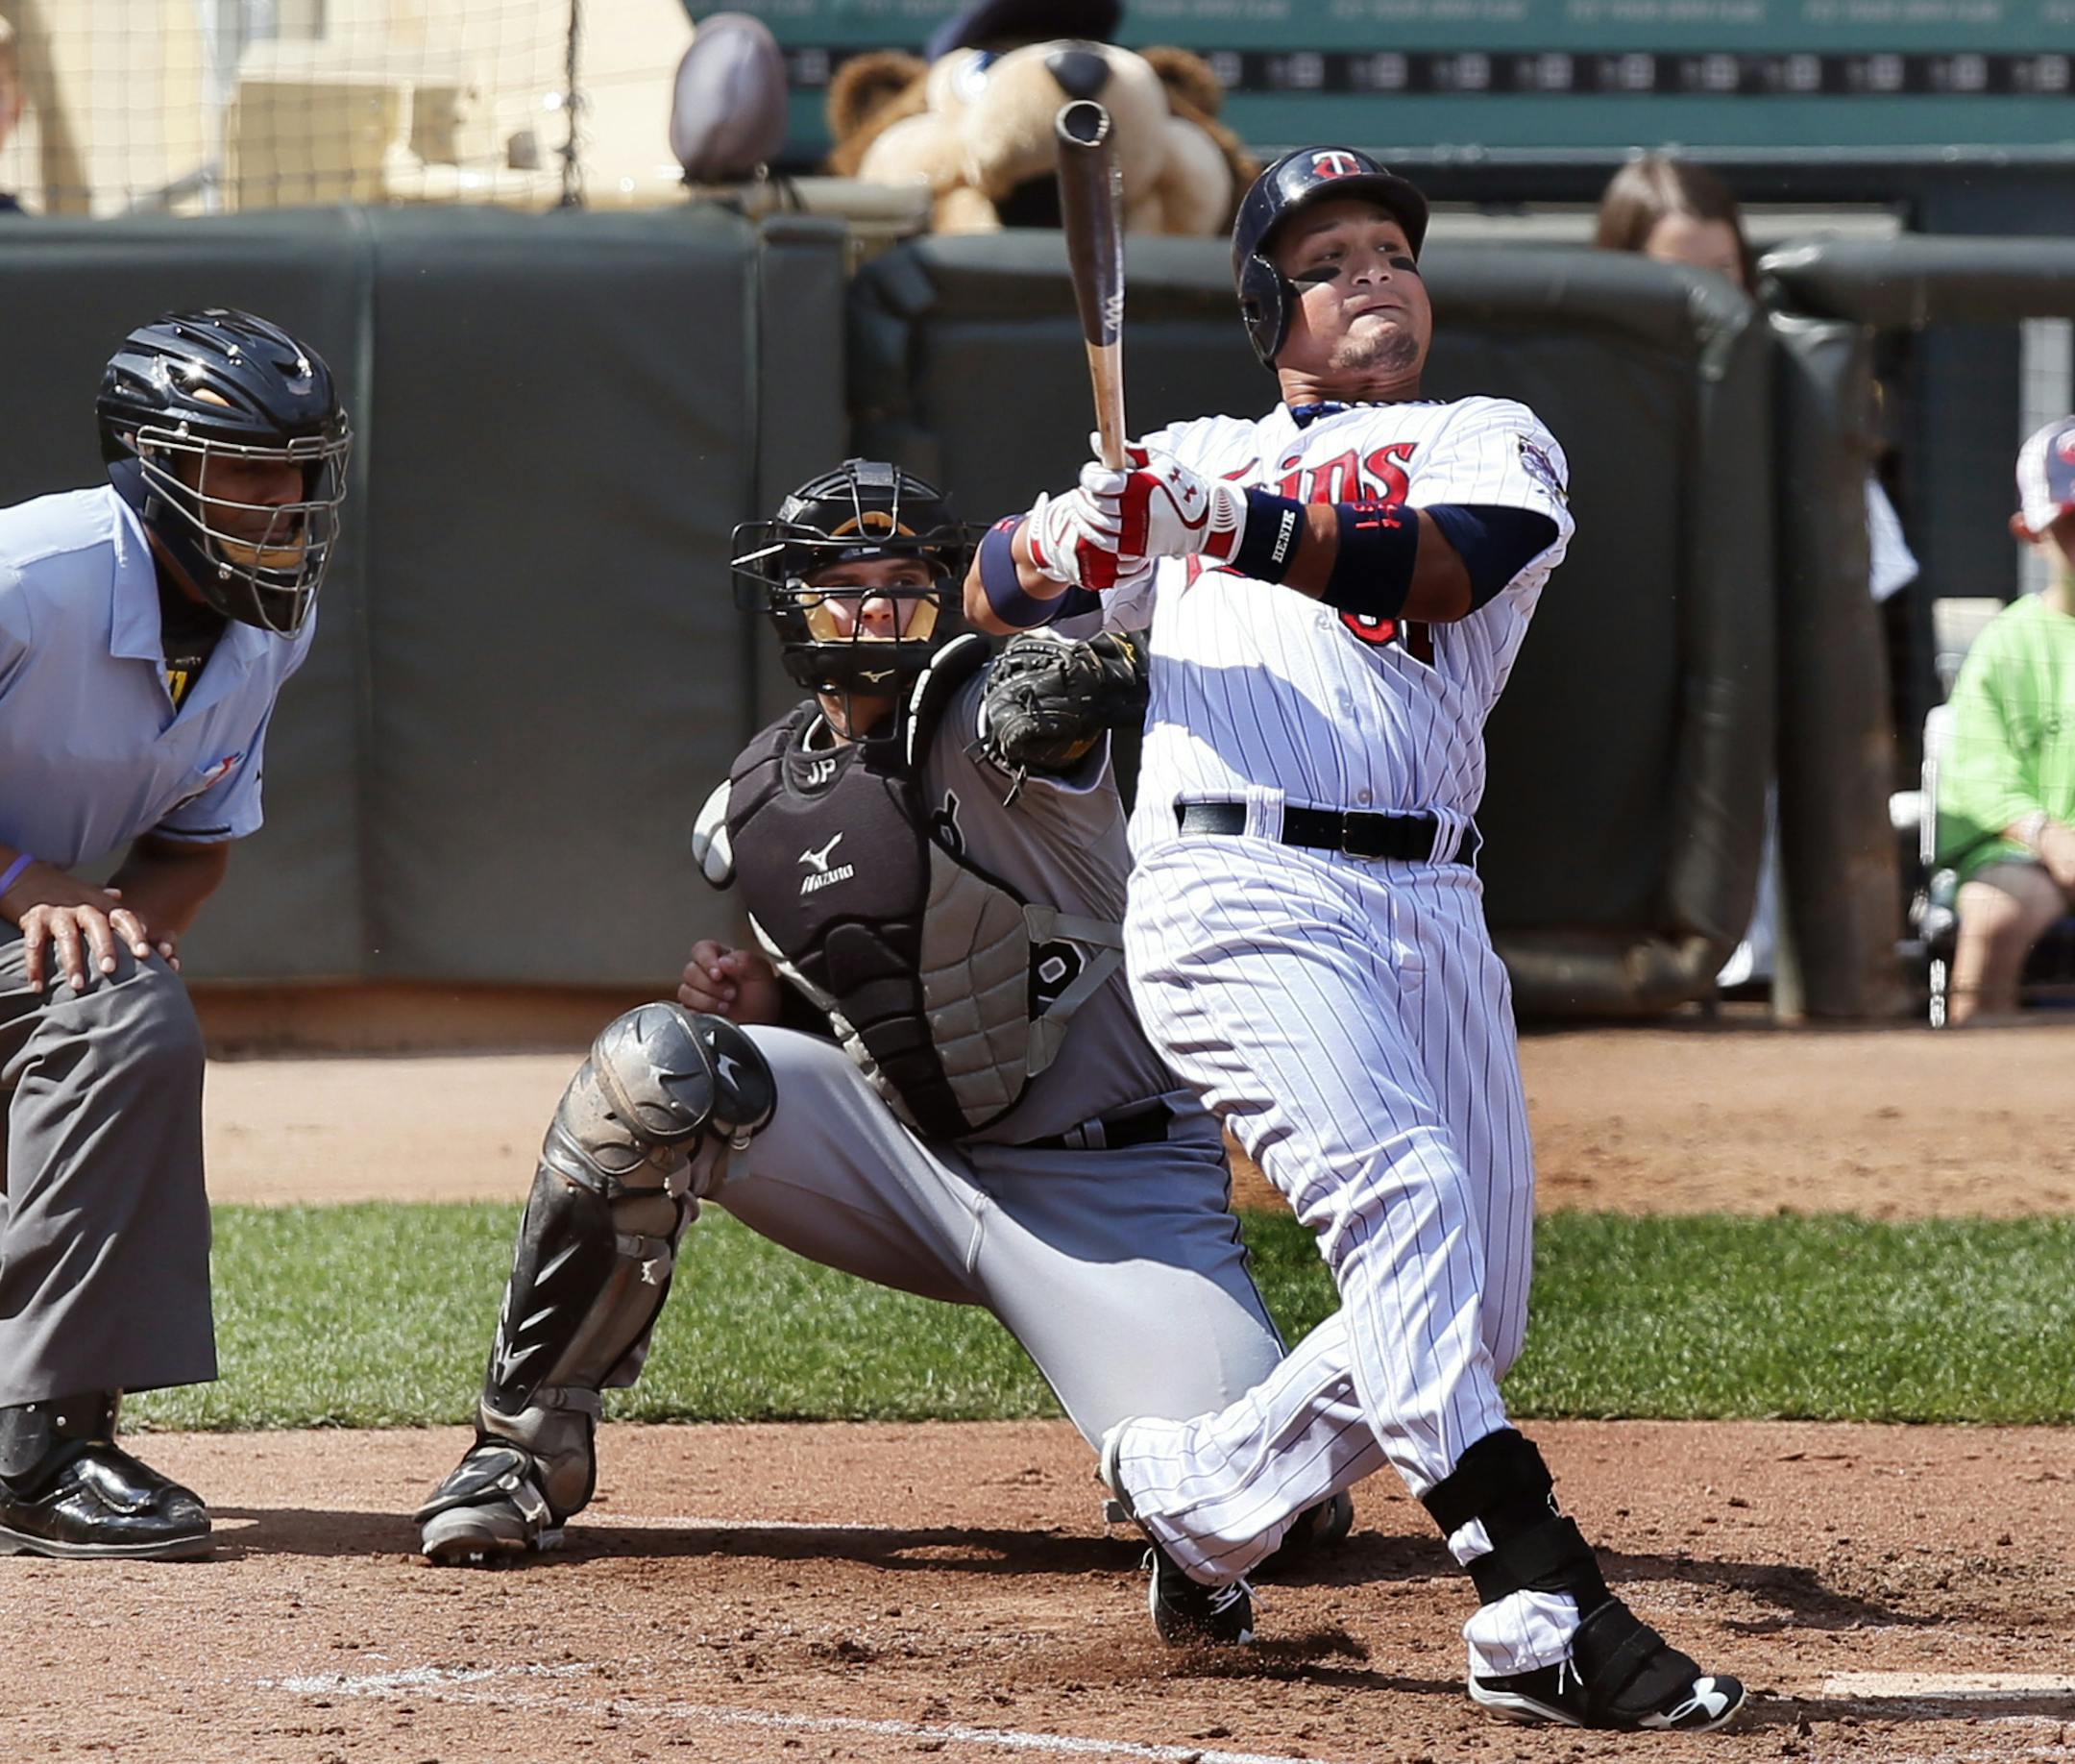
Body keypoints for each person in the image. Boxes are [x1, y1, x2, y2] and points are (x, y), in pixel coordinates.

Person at [965, 148, 1746, 1732]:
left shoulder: (1484, 441)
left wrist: (1226, 524)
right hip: (1236, 892)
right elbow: (989, 590)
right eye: (1329, 260)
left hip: (1428, 907)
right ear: (1269, 308)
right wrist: (1075, 540)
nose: (1374, 273)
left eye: (1392, 248)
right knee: (1405, 1199)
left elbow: (1439, 566)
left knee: (1471, 1308)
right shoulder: (1187, 456)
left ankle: (1203, 1492)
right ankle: (1534, 1596)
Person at [415, 459, 1349, 1611]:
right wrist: (773, 1010)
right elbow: (901, 992)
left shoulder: (986, 709)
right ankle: (522, 1447)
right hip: (914, 1173)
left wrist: (1068, 666)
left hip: (1118, 1190)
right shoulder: (754, 804)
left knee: (1262, 1511)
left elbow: (1040, 713)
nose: (873, 609)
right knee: (657, 1067)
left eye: (903, 582)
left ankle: (1261, 1441)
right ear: (791, 608)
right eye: (841, 585)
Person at [0, 307, 352, 1558]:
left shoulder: (270, 625)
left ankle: (47, 1439)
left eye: (301, 468)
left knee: (124, 1008)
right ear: (154, 463)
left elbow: (192, 847)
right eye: (248, 467)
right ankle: (41, 1446)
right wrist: (27, 881)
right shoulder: (31, 574)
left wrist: (113, 985)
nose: (282, 496)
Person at [1595, 152, 1918, 993]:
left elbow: (1879, 604)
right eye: (1676, 280)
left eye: (1722, 274)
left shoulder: (1800, 390)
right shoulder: (1563, 400)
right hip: (1620, 752)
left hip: (1765, 755)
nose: (1709, 301)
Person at [1935, 415, 2075, 1025]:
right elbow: (1978, 771)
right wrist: (2048, 836)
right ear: (2030, 531)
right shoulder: (2006, 641)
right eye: (2072, 525)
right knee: (1998, 909)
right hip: (2027, 855)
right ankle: (1975, 1087)